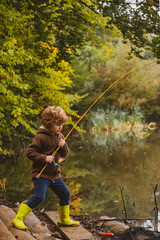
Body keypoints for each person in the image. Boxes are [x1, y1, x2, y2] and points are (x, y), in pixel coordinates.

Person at [12, 106, 80, 230]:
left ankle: (64, 219)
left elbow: (65, 153)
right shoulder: (40, 137)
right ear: (49, 123)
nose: (60, 127)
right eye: (57, 124)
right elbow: (30, 152)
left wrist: (64, 145)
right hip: (41, 174)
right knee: (39, 197)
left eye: (62, 124)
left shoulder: (60, 136)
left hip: (54, 175)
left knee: (65, 194)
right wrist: (45, 158)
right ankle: (18, 218)